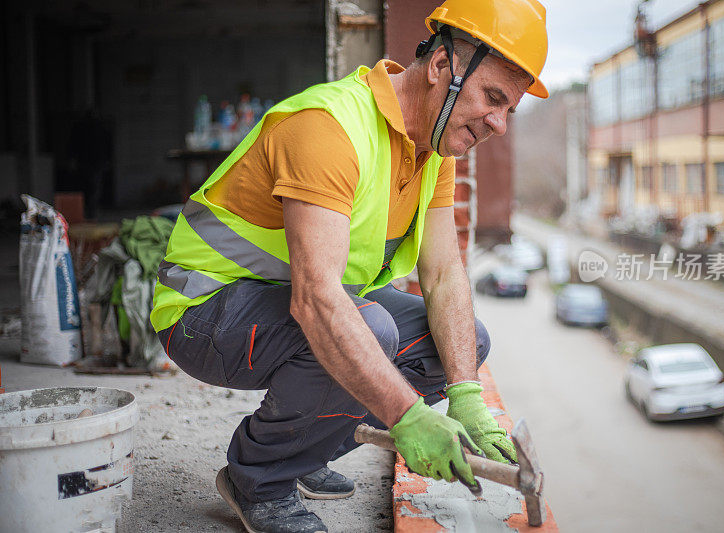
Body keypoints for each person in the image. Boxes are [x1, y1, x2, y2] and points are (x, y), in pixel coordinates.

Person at [150, 1, 549, 531]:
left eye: (509, 111)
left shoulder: (434, 152)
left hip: (280, 306)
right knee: (370, 328)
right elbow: (316, 301)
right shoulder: (329, 127)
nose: (498, 124)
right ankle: (258, 480)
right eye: (492, 98)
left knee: (462, 343)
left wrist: (466, 396)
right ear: (440, 68)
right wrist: (407, 417)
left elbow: (444, 276)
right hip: (201, 312)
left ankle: (299, 456)